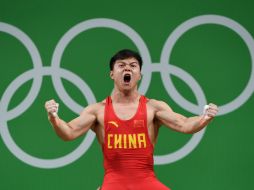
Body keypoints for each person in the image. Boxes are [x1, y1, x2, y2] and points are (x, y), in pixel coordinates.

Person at [45, 49, 218, 190]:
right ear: (112, 74)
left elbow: (185, 124)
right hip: (113, 184)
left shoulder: (153, 108)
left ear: (139, 75)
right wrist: (54, 118)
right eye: (121, 65)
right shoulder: (97, 111)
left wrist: (205, 117)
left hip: (147, 183)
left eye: (133, 66)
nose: (127, 69)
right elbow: (68, 132)